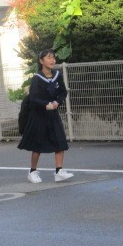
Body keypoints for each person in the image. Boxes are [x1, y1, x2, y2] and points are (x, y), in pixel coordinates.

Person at [18, 49, 74, 183]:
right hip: (38, 115)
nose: (52, 60)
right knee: (38, 145)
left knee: (60, 141)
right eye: (49, 58)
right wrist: (45, 105)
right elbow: (33, 98)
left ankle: (59, 171)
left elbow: (63, 92)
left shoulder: (57, 75)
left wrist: (57, 102)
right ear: (41, 61)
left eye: (53, 57)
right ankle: (32, 172)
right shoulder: (37, 78)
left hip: (53, 114)